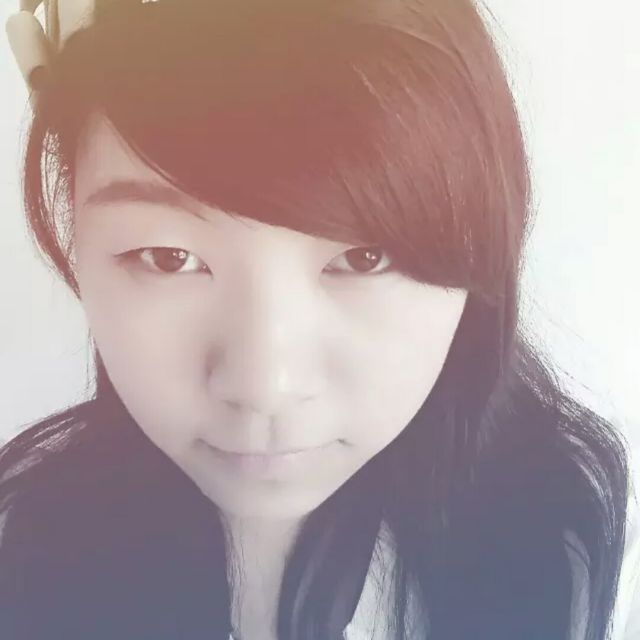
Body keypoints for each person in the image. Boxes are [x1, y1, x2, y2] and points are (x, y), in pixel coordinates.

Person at [1, 0, 638, 638]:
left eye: (366, 257)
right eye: (169, 257)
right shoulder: (23, 552)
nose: (265, 386)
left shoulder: (594, 562)